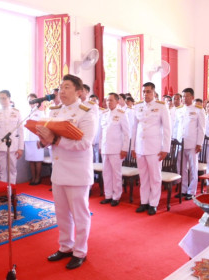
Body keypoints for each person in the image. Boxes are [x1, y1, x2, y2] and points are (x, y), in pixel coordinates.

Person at [36, 74, 95, 270]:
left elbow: (85, 143)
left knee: (80, 214)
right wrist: (43, 140)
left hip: (77, 172)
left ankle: (80, 251)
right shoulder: (54, 111)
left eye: (67, 87)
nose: (62, 90)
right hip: (59, 170)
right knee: (61, 213)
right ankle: (65, 246)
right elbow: (50, 137)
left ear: (79, 92)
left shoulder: (87, 112)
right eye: (61, 86)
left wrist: (55, 140)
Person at [131, 82, 171, 215]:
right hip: (140, 148)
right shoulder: (138, 107)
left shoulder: (161, 106)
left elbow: (167, 129)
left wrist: (166, 148)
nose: (145, 94)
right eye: (144, 92)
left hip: (154, 148)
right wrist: (133, 147)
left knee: (155, 177)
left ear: (153, 92)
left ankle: (153, 203)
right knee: (143, 177)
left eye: (148, 91)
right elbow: (134, 128)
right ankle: (144, 202)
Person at [174, 88, 206, 200]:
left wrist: (199, 143)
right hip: (180, 144)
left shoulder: (198, 110)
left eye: (187, 96)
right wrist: (174, 141)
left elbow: (201, 128)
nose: (184, 98)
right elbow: (176, 127)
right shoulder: (179, 110)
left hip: (192, 144)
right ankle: (183, 190)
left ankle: (191, 191)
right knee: (181, 168)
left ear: (192, 97)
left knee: (193, 168)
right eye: (183, 96)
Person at [99, 93, 130, 206]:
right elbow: (102, 132)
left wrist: (125, 149)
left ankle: (116, 196)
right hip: (105, 148)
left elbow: (127, 133)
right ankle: (108, 195)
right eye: (107, 100)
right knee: (106, 173)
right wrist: (100, 147)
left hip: (116, 149)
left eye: (111, 100)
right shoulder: (104, 114)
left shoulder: (121, 114)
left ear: (117, 102)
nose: (108, 102)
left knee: (116, 174)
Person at [0, 90, 24, 184]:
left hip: (13, 147)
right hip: (0, 146)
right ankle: (3, 192)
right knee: (2, 170)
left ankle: (12, 192)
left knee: (12, 170)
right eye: (0, 98)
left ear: (9, 99)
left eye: (4, 98)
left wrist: (21, 148)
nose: (2, 100)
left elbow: (21, 131)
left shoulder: (16, 112)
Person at [24, 93, 45, 185]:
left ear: (37, 102)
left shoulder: (40, 113)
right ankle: (33, 178)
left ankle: (38, 178)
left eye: (33, 100)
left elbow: (43, 126)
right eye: (29, 100)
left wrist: (41, 139)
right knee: (31, 160)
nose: (31, 102)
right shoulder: (26, 112)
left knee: (37, 160)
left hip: (37, 139)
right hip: (28, 139)